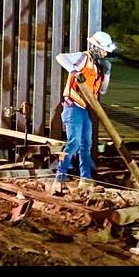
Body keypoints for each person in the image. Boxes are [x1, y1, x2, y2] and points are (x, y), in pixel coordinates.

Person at [52, 30, 116, 190]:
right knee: (73, 143)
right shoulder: (83, 58)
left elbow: (102, 91)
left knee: (86, 144)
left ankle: (85, 179)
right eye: (104, 49)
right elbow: (60, 57)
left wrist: (107, 73)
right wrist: (74, 71)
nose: (106, 53)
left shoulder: (97, 67)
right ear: (95, 47)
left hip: (84, 109)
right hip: (73, 107)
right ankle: (60, 177)